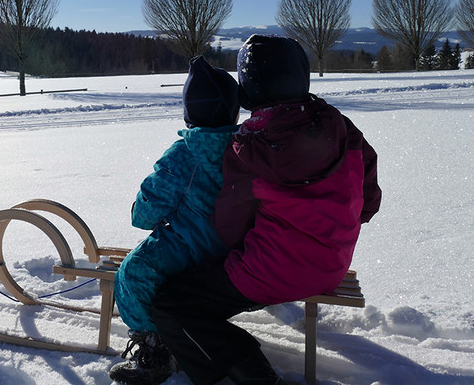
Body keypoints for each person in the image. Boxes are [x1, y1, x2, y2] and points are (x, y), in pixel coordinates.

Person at [149, 35, 382, 385]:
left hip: (271, 273)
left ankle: (251, 372)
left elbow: (230, 227)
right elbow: (370, 198)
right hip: (333, 265)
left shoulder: (250, 146)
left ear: (248, 91)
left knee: (170, 303)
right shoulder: (342, 128)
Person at [109, 56, 240, 385]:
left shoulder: (186, 154)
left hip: (188, 250)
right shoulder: (244, 147)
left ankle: (154, 353)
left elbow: (145, 213)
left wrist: (142, 209)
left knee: (132, 274)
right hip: (231, 250)